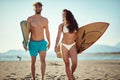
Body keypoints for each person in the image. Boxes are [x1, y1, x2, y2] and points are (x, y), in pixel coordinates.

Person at [22, 2, 50, 80]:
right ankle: (34, 78)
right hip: (33, 43)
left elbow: (47, 31)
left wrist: (49, 41)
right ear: (34, 8)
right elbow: (27, 32)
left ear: (41, 8)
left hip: (42, 42)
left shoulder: (45, 20)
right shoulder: (30, 19)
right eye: (36, 7)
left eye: (39, 7)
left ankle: (42, 78)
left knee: (43, 61)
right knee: (33, 62)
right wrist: (24, 42)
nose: (38, 8)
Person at [55, 9, 78, 80]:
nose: (63, 15)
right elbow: (58, 36)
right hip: (64, 45)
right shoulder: (61, 25)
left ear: (68, 15)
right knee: (67, 63)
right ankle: (70, 78)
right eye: (62, 14)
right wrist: (56, 45)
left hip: (73, 45)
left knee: (74, 63)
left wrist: (81, 47)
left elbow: (78, 36)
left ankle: (70, 74)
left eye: (65, 14)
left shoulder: (74, 24)